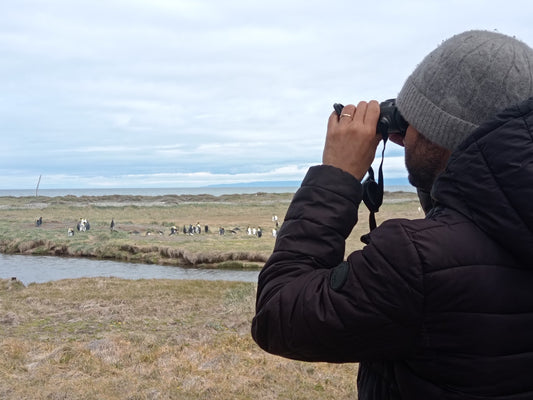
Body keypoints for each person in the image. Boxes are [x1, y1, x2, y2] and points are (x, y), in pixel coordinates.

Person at [251, 30, 533, 399]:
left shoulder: (416, 261)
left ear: (443, 132)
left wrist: (337, 175)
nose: (406, 134)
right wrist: (436, 164)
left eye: (415, 120)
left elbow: (278, 312)